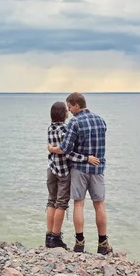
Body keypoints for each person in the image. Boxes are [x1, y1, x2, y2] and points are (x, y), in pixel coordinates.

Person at [48, 92, 112, 254]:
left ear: (77, 105)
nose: (69, 110)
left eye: (70, 107)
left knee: (79, 204)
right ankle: (103, 244)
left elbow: (65, 149)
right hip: (97, 169)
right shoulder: (101, 120)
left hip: (79, 169)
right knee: (99, 205)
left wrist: (52, 149)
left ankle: (79, 243)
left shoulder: (74, 123)